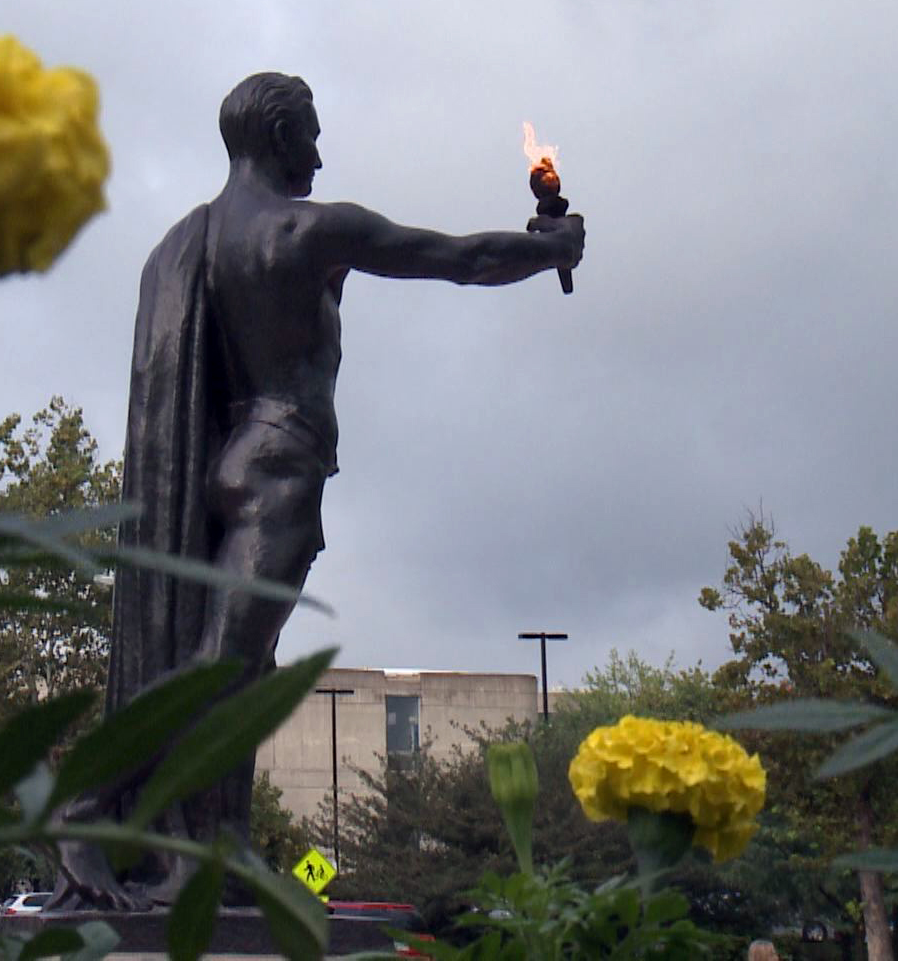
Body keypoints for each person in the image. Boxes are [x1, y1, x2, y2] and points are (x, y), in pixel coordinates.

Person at [55, 73, 585, 910]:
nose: (319, 151)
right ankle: (84, 807)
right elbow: (460, 259)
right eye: (309, 133)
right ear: (275, 135)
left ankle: (214, 854)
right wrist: (550, 250)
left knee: (243, 670)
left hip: (235, 456)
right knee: (219, 670)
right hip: (284, 464)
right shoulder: (309, 230)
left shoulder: (199, 240)